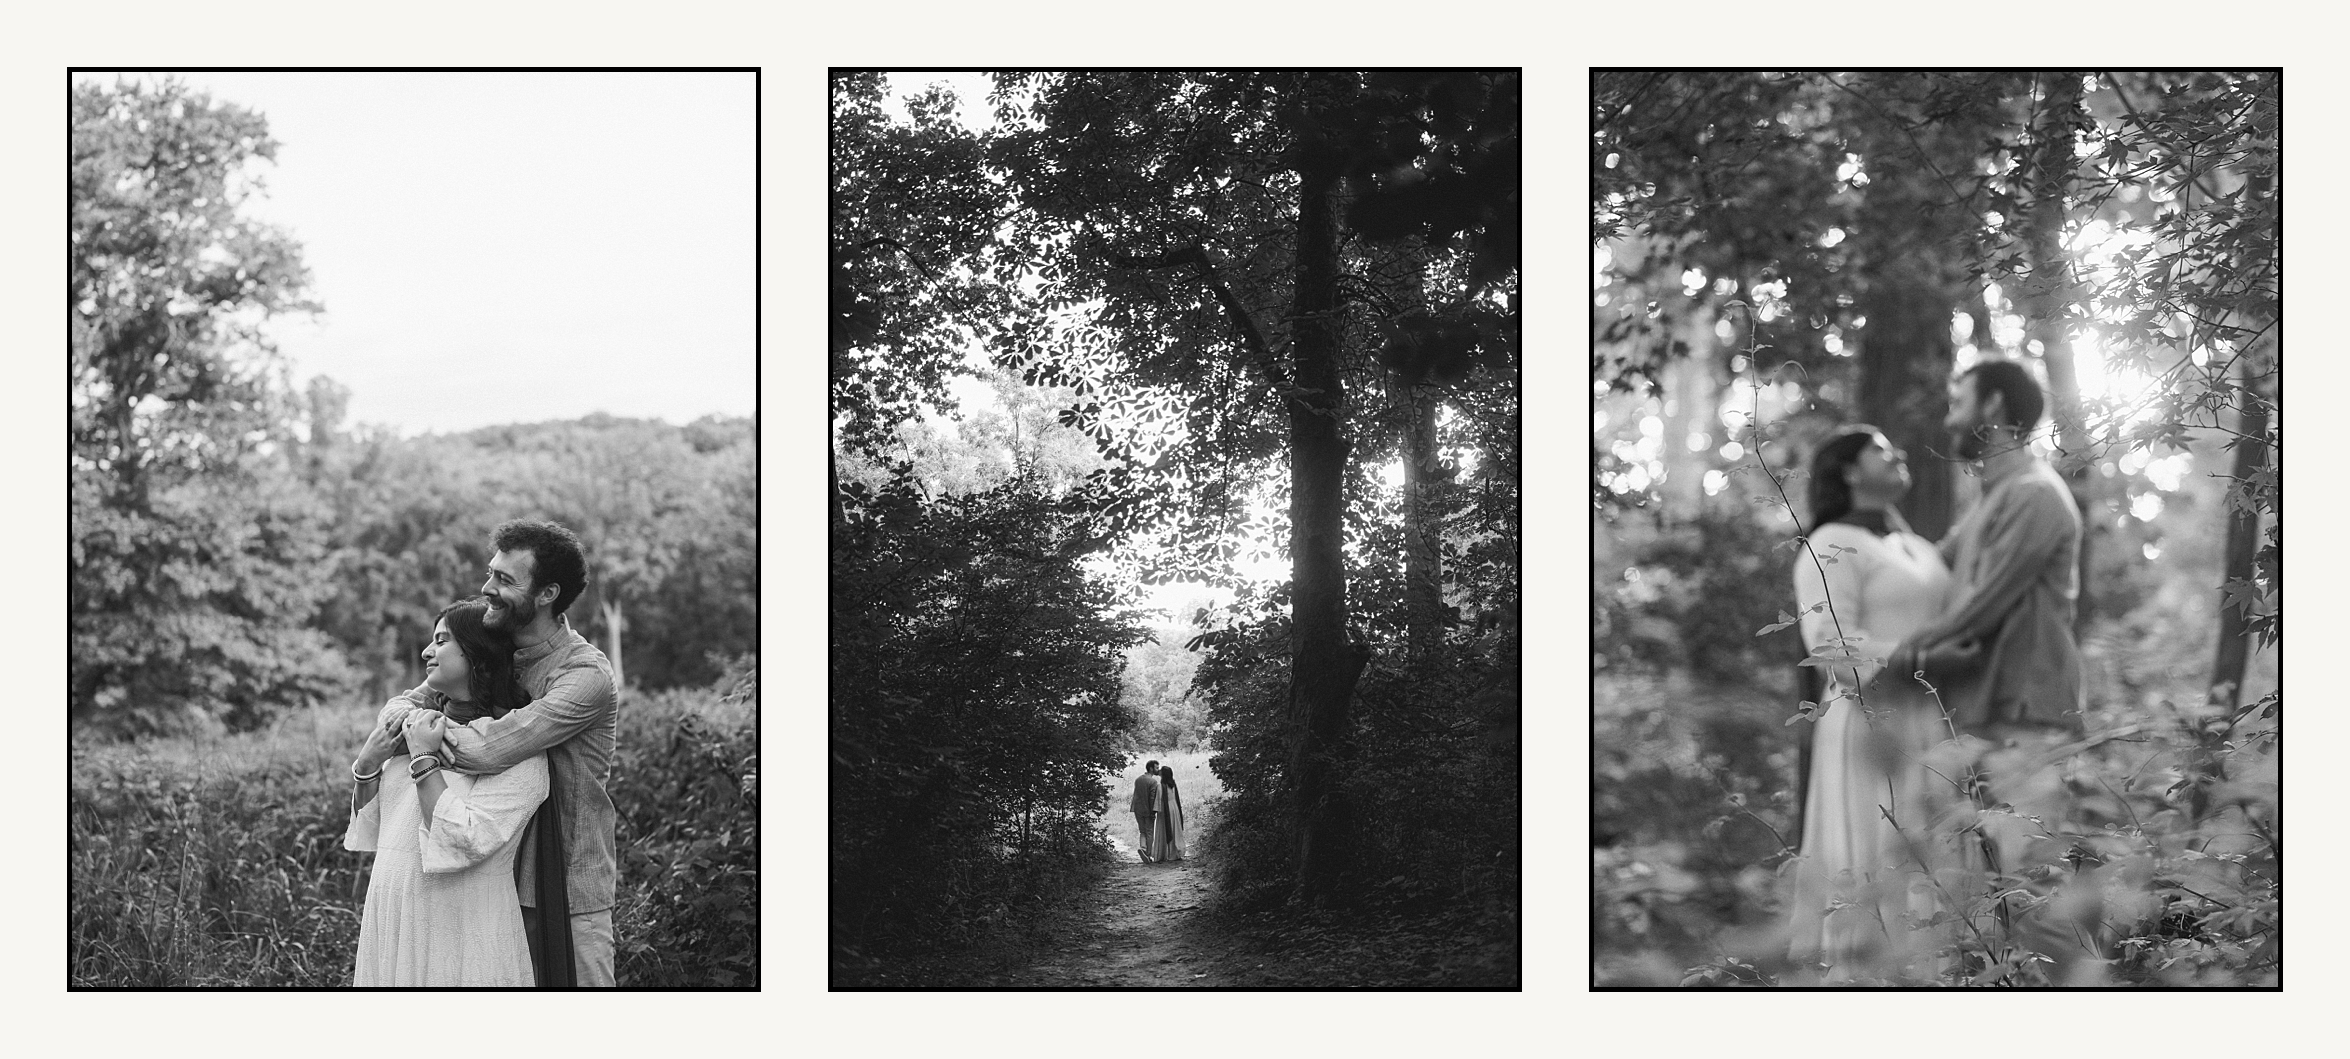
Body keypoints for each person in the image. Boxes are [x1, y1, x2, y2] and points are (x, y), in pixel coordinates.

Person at [380, 519, 620, 986]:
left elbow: (492, 748)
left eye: (505, 580)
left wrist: (422, 740)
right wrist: (407, 718)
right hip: (490, 879)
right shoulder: (495, 645)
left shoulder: (584, 675)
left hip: (569, 884)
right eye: (492, 573)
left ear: (547, 594)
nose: (487, 588)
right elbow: (411, 700)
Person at [1783, 426, 1953, 983]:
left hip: (1931, 722)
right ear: (1850, 472)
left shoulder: (1920, 549)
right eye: (1881, 449)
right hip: (1869, 722)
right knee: (1874, 853)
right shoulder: (1829, 543)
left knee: (1930, 859)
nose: (1898, 451)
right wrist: (1925, 656)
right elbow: (1831, 647)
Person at [346, 598, 550, 987]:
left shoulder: (519, 754)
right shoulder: (416, 727)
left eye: (441, 641)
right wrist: (368, 764)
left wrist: (424, 757)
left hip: (462, 922)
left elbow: (464, 838)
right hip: (393, 910)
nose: (426, 651)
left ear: (476, 653)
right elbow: (377, 827)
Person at [1887, 359, 2086, 740]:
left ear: (1993, 405)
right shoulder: (1993, 496)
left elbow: (1982, 602)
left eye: (1958, 403)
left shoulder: (2034, 493)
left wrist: (1900, 655)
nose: (1949, 420)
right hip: (1981, 710)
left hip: (2026, 714)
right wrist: (1872, 509)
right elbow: (1934, 563)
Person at [1152, 764, 1186, 863]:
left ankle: (1165, 853)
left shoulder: (1160, 787)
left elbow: (1159, 800)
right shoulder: (1173, 784)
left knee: (1165, 830)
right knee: (1174, 829)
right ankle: (1174, 852)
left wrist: (1154, 812)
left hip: (1165, 809)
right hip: (1174, 808)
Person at [1130, 760, 1162, 863]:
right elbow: (1152, 798)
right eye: (1156, 768)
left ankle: (1143, 848)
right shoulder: (1153, 782)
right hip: (1147, 809)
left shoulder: (1138, 779)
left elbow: (1136, 795)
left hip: (1137, 808)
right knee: (1149, 832)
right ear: (1151, 768)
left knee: (1142, 831)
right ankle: (1147, 854)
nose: (1158, 770)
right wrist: (1153, 811)